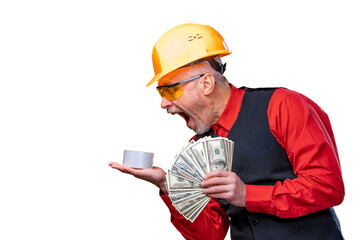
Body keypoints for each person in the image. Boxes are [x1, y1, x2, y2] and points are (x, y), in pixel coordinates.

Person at [109, 23, 345, 240]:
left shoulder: (283, 106)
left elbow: (327, 186)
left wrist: (247, 195)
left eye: (170, 91)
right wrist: (168, 186)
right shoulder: (202, 147)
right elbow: (211, 233)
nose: (163, 104)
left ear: (206, 84)